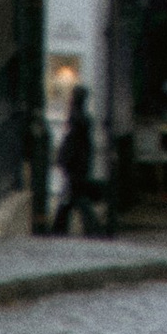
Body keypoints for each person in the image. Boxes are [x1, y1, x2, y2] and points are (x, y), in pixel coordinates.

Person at [52, 86, 97, 237]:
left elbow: (71, 143)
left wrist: (63, 159)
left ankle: (88, 227)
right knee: (71, 198)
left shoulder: (76, 119)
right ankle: (60, 226)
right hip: (79, 164)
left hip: (75, 165)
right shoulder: (83, 119)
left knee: (75, 198)